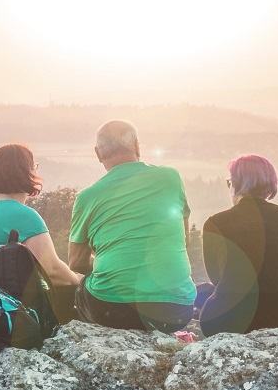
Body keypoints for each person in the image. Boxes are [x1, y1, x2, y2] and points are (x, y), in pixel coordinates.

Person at [68, 120, 196, 332]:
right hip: (176, 310)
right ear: (137, 145)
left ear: (98, 154)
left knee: (81, 289)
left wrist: (110, 267)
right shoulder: (170, 177)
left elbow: (76, 261)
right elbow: (185, 239)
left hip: (114, 311)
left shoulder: (87, 197)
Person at [0, 143, 82, 322]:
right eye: (34, 167)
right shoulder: (21, 215)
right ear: (27, 172)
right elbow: (53, 271)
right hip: (8, 310)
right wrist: (81, 282)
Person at [198, 155, 278, 336]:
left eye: (230, 182)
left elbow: (217, 278)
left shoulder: (215, 223)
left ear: (236, 184)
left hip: (231, 321)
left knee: (204, 292)